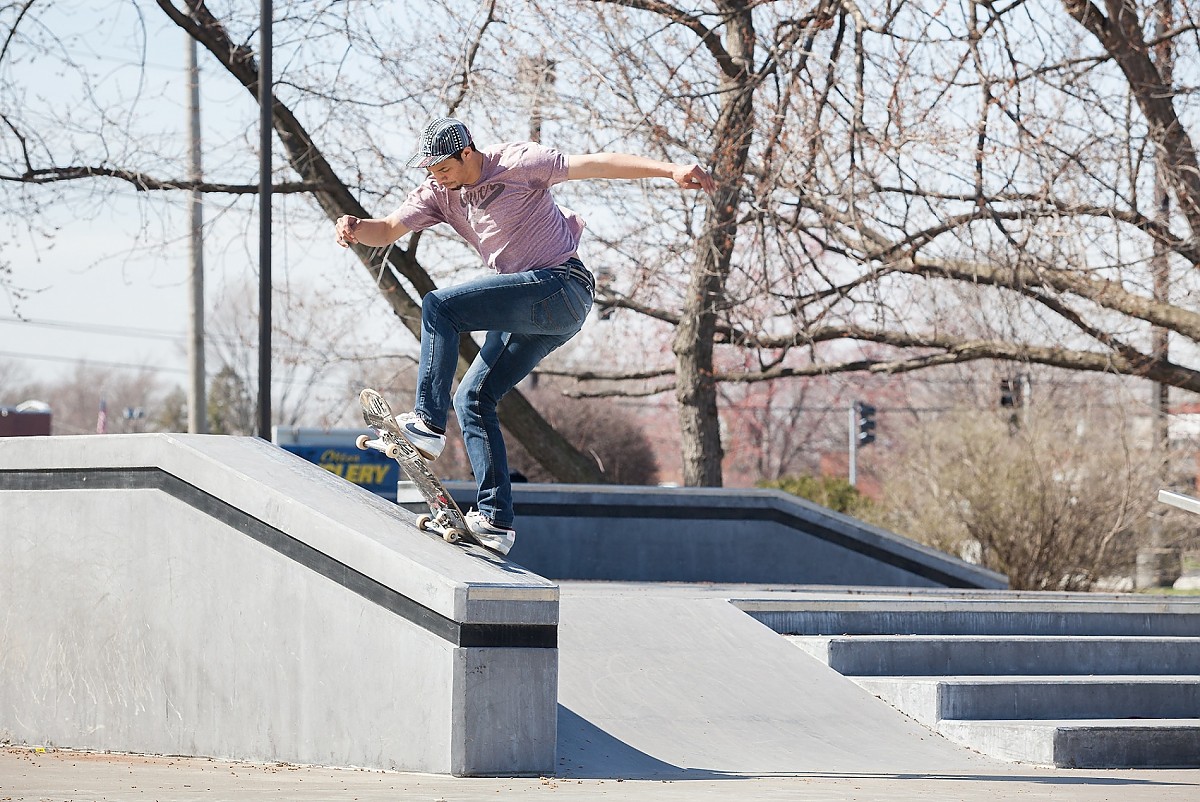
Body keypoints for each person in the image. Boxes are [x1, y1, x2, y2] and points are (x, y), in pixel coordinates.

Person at [336, 117, 713, 555]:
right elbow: (387, 229)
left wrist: (669, 170)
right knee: (473, 398)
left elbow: (595, 164)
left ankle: (426, 424)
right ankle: (496, 519)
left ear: (467, 153)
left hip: (562, 286)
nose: (438, 177)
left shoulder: (519, 162)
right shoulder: (438, 194)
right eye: (430, 171)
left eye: (444, 168)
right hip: (536, 312)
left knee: (440, 306)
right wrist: (354, 227)